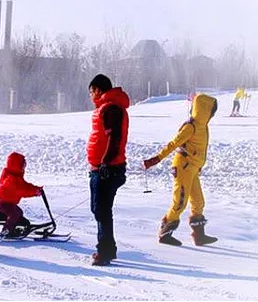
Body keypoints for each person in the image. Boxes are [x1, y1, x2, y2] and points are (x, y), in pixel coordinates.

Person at [143, 93, 218, 246]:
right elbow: (174, 143)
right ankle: (165, 232)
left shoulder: (203, 127)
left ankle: (199, 236)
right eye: (211, 111)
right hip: (183, 166)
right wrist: (156, 159)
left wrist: (199, 167)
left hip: (193, 168)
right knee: (180, 202)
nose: (213, 114)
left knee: (198, 202)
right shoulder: (191, 127)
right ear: (204, 110)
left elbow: (199, 149)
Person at [86, 74, 130, 266]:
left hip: (107, 169)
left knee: (101, 209)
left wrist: (105, 162)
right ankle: (108, 248)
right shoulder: (106, 107)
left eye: (91, 91)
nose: (90, 96)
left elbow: (114, 138)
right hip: (102, 167)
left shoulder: (111, 108)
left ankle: (104, 251)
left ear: (97, 89)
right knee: (100, 209)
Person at [0, 152, 43, 236]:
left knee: (18, 212)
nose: (24, 167)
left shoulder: (16, 177)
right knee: (14, 214)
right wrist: (34, 192)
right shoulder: (11, 179)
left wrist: (36, 188)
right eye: (23, 165)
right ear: (16, 165)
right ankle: (6, 232)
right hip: (4, 203)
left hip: (9, 203)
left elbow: (25, 185)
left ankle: (15, 228)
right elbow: (21, 190)